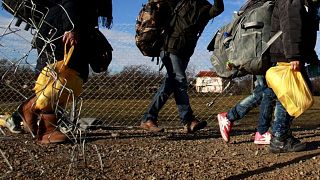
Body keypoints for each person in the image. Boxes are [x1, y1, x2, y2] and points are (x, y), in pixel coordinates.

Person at [3, 0, 113, 144]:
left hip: (77, 33)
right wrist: (70, 27)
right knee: (56, 81)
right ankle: (47, 130)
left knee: (74, 80)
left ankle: (28, 109)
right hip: (59, 31)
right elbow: (69, 2)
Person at [141, 0, 224, 133]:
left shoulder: (205, 7)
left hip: (185, 52)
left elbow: (218, 9)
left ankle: (149, 118)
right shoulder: (181, 2)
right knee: (179, 80)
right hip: (170, 48)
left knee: (169, 85)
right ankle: (187, 120)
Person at [266, 0, 319, 153]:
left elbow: (305, 32)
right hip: (286, 53)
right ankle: (279, 137)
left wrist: (311, 56)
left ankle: (280, 132)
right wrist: (293, 55)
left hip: (291, 53)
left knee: (293, 93)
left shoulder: (306, 3)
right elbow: (290, 26)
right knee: (291, 94)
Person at [217, 75, 274, 145]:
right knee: (268, 91)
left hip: (264, 66)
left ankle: (264, 132)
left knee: (264, 91)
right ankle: (263, 132)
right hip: (267, 66)